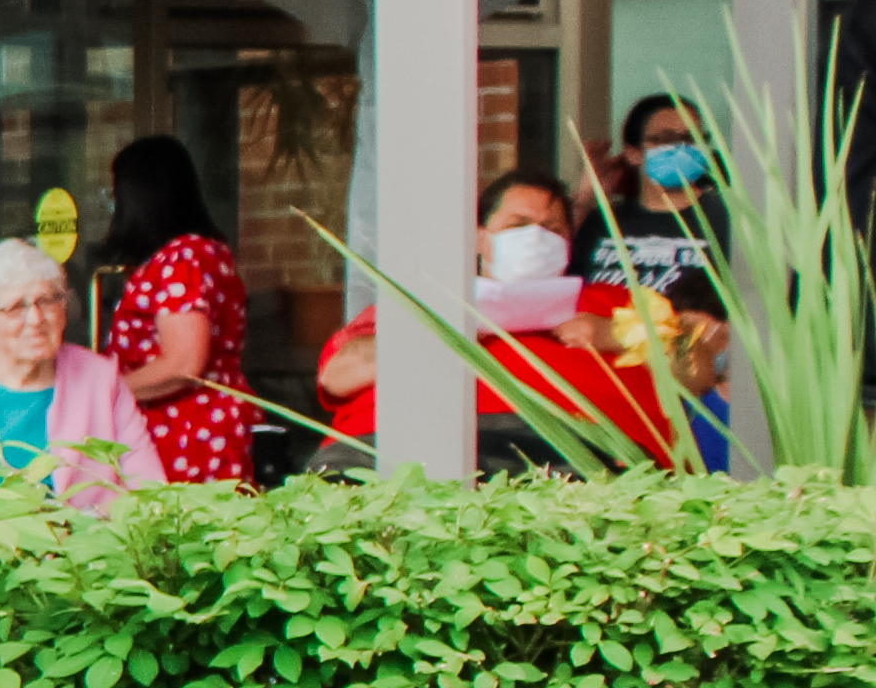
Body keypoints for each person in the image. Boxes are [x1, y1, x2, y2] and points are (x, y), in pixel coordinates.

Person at [317, 170, 617, 467]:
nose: (536, 238)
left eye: (553, 229)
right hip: (399, 447)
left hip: (570, 450)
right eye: (519, 225)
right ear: (479, 237)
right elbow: (338, 376)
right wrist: (447, 331)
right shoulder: (425, 301)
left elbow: (665, 354)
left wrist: (616, 335)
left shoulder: (610, 303)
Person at [0, 237, 169, 505]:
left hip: (80, 544)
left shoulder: (101, 379)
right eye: (16, 307)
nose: (36, 319)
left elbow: (150, 487)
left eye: (47, 301)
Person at [94, 130, 255, 492]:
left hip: (184, 434)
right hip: (196, 429)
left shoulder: (183, 258)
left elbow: (183, 364)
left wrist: (102, 390)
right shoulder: (200, 253)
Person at [586, 92, 737, 464]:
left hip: (688, 390)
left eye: (692, 139)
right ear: (634, 152)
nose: (682, 148)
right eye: (667, 139)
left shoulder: (726, 219)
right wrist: (583, 200)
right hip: (607, 393)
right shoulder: (602, 221)